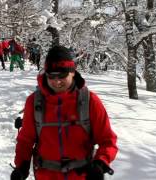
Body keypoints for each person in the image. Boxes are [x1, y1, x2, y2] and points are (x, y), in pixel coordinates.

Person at [11, 45, 118, 180]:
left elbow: (108, 140)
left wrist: (100, 163)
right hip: (46, 176)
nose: (57, 81)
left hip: (82, 176)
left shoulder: (89, 101)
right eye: (51, 76)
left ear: (73, 72)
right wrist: (21, 167)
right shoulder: (34, 102)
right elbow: (25, 140)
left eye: (62, 75)